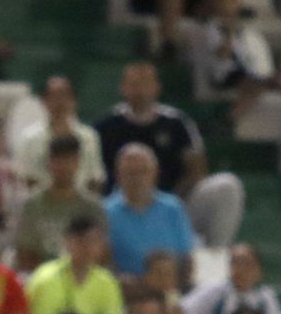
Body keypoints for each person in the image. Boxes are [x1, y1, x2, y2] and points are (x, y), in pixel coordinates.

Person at [96, 62, 244, 252]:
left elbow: (197, 170)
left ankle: (215, 254)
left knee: (227, 186)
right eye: (134, 84)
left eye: (145, 84)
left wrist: (165, 204)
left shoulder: (177, 123)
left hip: (175, 207)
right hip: (120, 211)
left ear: (157, 88)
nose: (140, 90)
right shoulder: (106, 127)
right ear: (123, 88)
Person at [25, 217, 123, 314]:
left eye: (95, 242)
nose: (89, 248)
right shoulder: (47, 278)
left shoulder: (107, 281)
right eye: (82, 242)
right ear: (69, 242)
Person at [103, 143, 195, 279]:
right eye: (130, 173)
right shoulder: (105, 212)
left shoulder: (172, 208)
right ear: (118, 176)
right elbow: (103, 265)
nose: (137, 179)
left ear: (155, 173)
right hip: (126, 287)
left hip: (171, 285)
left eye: (143, 171)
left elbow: (187, 257)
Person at [15, 136, 106, 272]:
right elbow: (24, 252)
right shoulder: (32, 205)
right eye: (58, 160)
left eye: (69, 160)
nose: (64, 166)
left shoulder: (92, 207)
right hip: (42, 277)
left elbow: (101, 252)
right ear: (48, 163)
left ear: (78, 162)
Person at [180, 243, 281, 314]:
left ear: (258, 269)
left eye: (246, 264)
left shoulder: (266, 297)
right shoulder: (214, 291)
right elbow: (182, 312)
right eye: (236, 263)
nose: (241, 269)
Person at [15, 75, 106, 197]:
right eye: (54, 97)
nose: (60, 102)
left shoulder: (89, 136)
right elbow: (26, 177)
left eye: (64, 96)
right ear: (44, 101)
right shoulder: (29, 138)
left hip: (81, 203)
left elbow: (95, 177)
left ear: (74, 101)